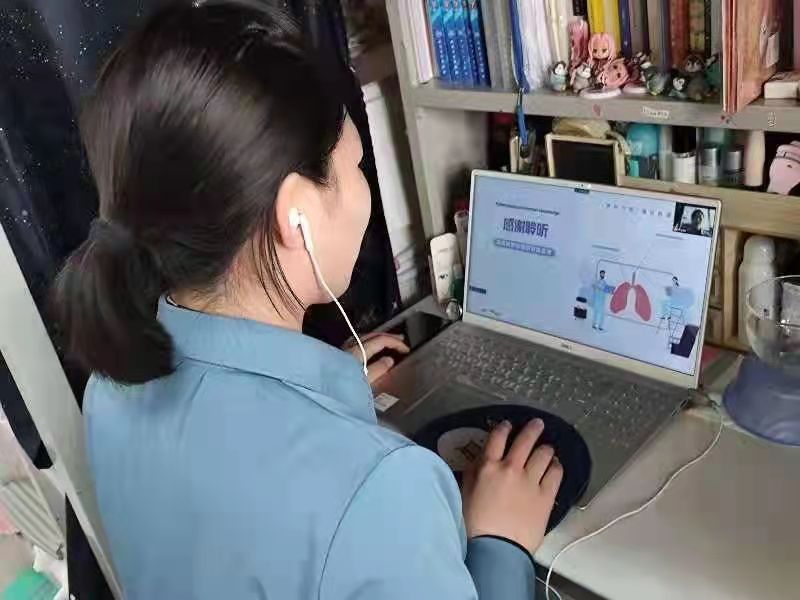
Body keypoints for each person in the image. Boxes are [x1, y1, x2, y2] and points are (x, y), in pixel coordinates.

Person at [52, 3, 562, 599]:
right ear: (296, 213)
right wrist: (500, 544)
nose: (364, 186)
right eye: (356, 165)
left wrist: (319, 391)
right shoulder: (381, 490)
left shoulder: (110, 390)